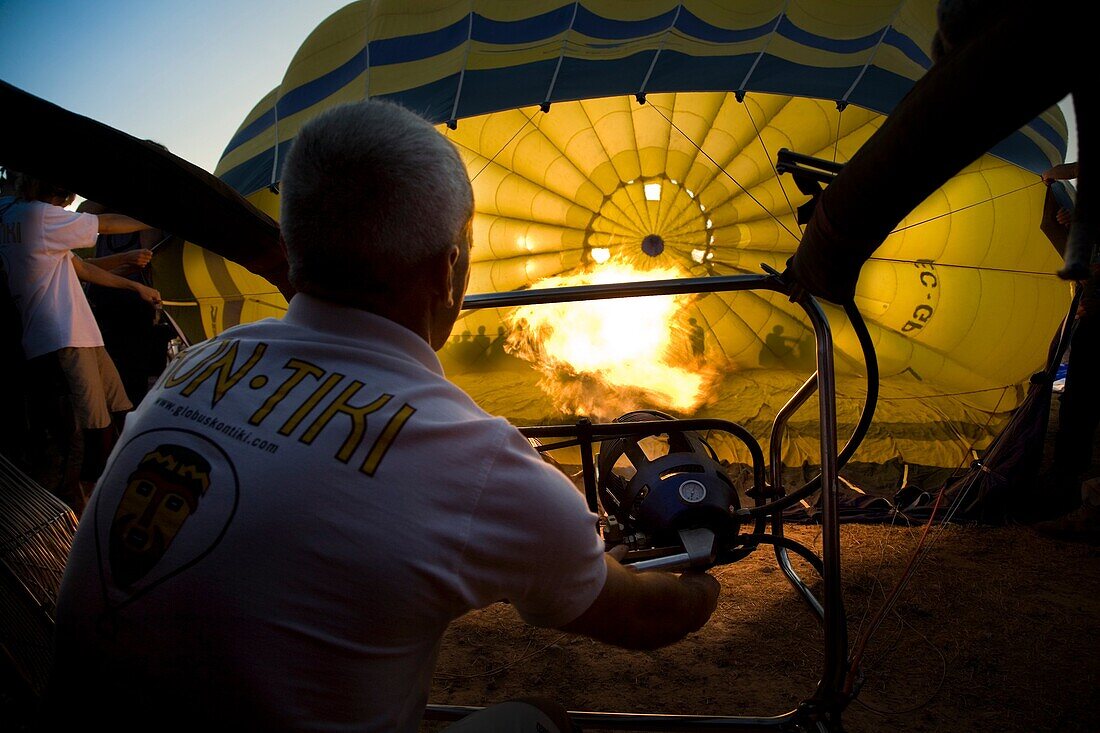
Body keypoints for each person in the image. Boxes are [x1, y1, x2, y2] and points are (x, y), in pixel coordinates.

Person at [48, 100, 720, 731]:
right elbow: (639, 617)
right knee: (538, 717)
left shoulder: (197, 364)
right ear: (447, 269)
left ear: (295, 241)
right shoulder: (478, 462)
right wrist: (705, 579)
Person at [0, 175, 161, 512]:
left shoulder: (11, 216)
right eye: (65, 199)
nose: (67, 206)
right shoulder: (37, 215)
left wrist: (135, 286)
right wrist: (160, 218)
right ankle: (86, 500)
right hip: (61, 334)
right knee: (92, 423)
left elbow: (81, 268)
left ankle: (127, 469)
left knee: (119, 404)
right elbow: (104, 223)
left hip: (80, 332)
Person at [79, 198, 177, 407]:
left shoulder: (145, 219)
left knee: (132, 375)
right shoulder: (101, 216)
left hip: (133, 300)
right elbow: (82, 212)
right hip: (107, 297)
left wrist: (96, 274)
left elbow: (143, 262)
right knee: (114, 371)